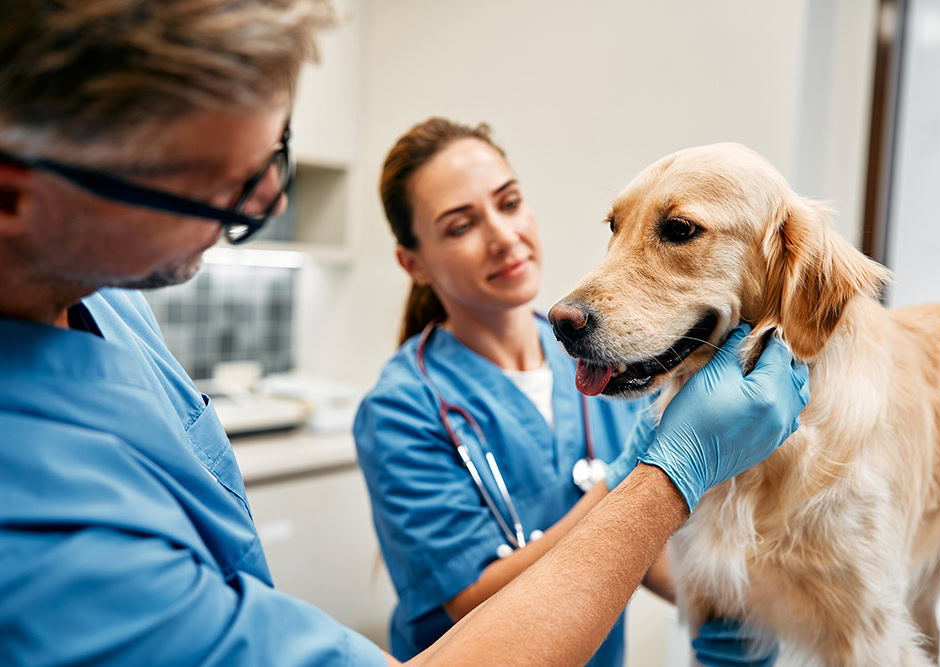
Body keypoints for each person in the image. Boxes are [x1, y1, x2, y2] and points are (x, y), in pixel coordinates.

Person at [0, 2, 808, 665]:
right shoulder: (38, 532)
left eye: (273, 157)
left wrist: (732, 609)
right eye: (221, 189)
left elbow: (653, 560)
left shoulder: (106, 303)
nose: (269, 206)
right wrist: (659, 476)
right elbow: (466, 609)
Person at [353, 118, 790, 666]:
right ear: (412, 262)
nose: (504, 236)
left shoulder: (616, 360)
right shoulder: (400, 408)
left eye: (508, 203)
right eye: (461, 226)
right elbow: (467, 602)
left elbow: (640, 542)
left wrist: (730, 609)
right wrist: (621, 485)